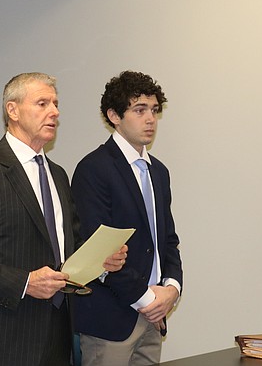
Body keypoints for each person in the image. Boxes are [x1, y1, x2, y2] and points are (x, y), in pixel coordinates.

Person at [0, 72, 127, 366]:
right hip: (2, 340)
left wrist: (101, 264)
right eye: (42, 103)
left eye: (55, 103)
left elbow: (68, 249)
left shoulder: (59, 175)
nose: (54, 112)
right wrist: (23, 282)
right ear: (13, 110)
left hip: (58, 334)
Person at [70, 70, 183, 366]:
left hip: (152, 317)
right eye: (140, 110)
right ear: (114, 115)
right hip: (111, 317)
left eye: (155, 110)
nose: (150, 119)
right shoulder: (93, 169)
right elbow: (97, 249)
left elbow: (167, 239)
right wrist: (148, 301)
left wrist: (171, 288)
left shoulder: (158, 171)